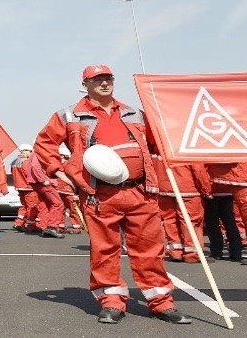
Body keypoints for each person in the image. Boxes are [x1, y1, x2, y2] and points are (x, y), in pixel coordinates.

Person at [33, 65, 192, 325]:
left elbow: (159, 142)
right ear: (85, 84)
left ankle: (161, 302)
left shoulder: (136, 114)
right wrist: (59, 172)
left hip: (140, 191)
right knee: (105, 250)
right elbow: (44, 144)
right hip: (99, 195)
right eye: (97, 80)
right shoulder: (69, 115)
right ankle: (112, 301)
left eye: (108, 79)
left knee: (150, 250)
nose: (104, 84)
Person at [11, 145, 39, 232]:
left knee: (24, 206)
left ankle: (19, 223)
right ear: (26, 151)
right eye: (31, 152)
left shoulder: (14, 161)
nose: (31, 154)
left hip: (20, 187)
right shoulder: (26, 161)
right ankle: (31, 225)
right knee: (32, 207)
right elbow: (29, 173)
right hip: (28, 187)